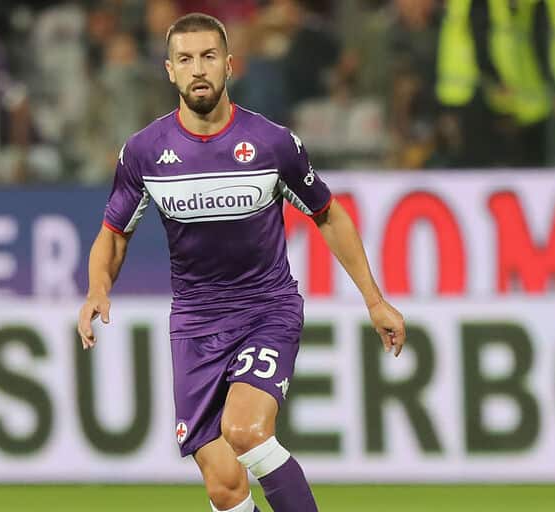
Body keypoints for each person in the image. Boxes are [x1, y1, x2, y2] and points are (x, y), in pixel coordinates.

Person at [76, 13, 406, 512]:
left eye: (209, 57)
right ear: (169, 70)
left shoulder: (272, 143)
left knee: (246, 430)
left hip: (265, 310)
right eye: (186, 59)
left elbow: (328, 214)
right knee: (224, 485)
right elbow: (113, 234)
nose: (198, 69)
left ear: (229, 65)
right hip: (195, 324)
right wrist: (97, 289)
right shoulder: (144, 153)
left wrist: (374, 301)